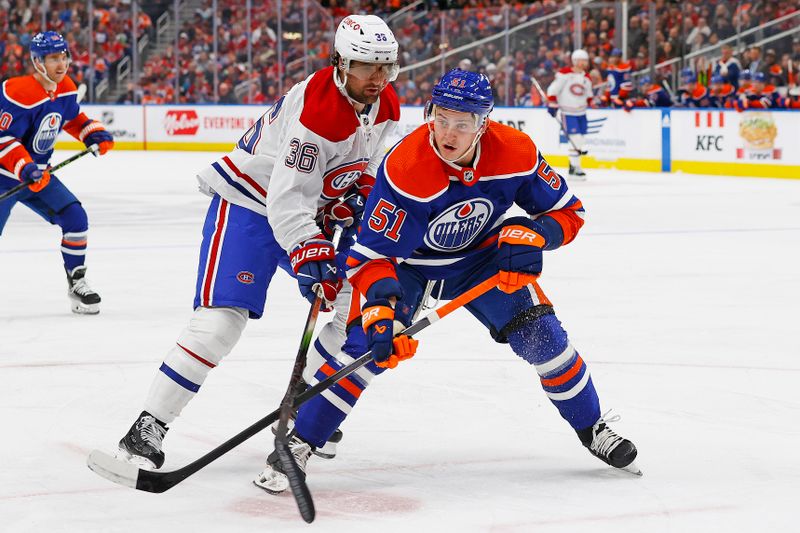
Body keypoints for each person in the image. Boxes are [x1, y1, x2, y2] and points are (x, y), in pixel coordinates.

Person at [255, 69, 640, 494]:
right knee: (369, 347)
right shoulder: (405, 168)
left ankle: (593, 429)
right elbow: (373, 256)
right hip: (412, 265)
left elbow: (570, 212)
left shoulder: (516, 152)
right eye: (441, 118)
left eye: (463, 122)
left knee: (545, 340)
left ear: (484, 123)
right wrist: (382, 307)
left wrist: (536, 235)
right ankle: (301, 444)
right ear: (430, 113)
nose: (448, 132)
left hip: (482, 262)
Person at [115, 14, 401, 476]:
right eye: (368, 67)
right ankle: (149, 425)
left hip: (307, 212)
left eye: (387, 67)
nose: (380, 78)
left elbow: (368, 160)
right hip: (252, 205)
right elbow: (286, 197)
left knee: (354, 305)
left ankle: (303, 413)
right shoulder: (319, 111)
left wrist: (355, 194)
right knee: (220, 324)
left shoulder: (385, 101)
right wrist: (311, 251)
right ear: (340, 63)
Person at [0, 31, 114, 314]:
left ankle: (76, 283)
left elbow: (72, 118)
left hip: (39, 176)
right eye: (53, 58)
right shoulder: (17, 93)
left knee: (75, 218)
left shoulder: (65, 87)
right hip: (6, 178)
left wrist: (93, 133)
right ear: (37, 61)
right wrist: (25, 167)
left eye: (63, 56)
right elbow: (3, 139)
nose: (61, 64)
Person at [546, 49, 593, 178]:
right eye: (583, 60)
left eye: (586, 60)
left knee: (581, 139)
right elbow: (553, 90)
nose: (585, 63)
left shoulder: (586, 77)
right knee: (575, 138)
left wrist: (592, 101)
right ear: (575, 61)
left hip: (582, 112)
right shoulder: (565, 74)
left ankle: (575, 166)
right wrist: (552, 104)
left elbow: (588, 95)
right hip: (568, 112)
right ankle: (574, 167)